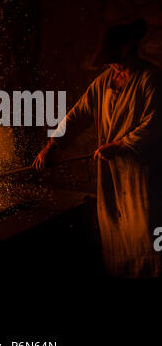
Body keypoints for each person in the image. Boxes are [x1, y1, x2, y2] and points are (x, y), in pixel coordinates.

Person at [33, 18, 162, 278]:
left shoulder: (150, 79)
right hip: (111, 180)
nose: (113, 65)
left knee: (145, 235)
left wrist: (122, 144)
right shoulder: (104, 82)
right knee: (117, 241)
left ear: (129, 50)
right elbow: (78, 115)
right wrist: (52, 145)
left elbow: (156, 122)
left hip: (141, 179)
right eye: (109, 61)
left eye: (115, 58)